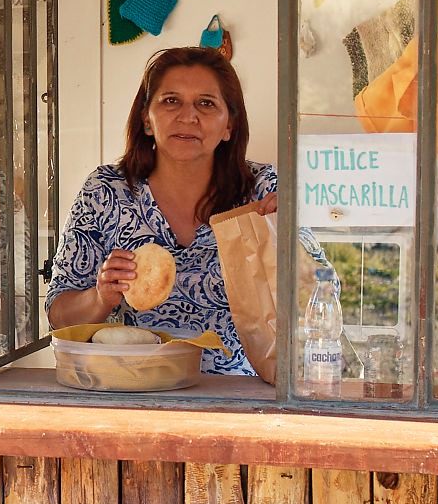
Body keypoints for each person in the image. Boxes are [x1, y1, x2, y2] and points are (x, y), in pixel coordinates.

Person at [46, 45, 284, 375]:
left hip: (241, 398)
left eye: (207, 103)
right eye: (171, 100)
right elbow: (59, 316)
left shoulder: (263, 190)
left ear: (229, 125)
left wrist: (284, 234)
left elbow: (316, 298)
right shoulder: (106, 191)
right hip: (130, 392)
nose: (188, 116)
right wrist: (101, 296)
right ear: (146, 118)